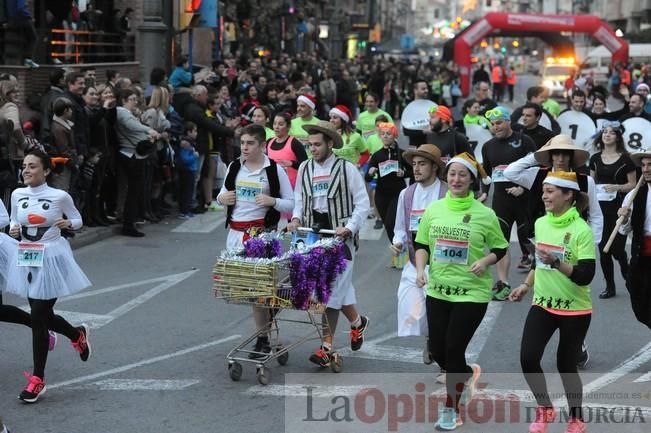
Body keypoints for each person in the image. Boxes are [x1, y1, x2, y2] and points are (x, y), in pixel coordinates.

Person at [414, 152, 508, 430]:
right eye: (452, 174)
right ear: (447, 177)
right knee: (438, 350)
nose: (456, 179)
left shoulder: (485, 214)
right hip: (438, 290)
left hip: (471, 293)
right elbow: (422, 244)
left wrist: (485, 261)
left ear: (471, 180)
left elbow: (501, 248)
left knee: (454, 348)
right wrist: (420, 270)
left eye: (462, 175)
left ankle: (451, 410)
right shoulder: (435, 209)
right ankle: (467, 374)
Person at [509, 171, 596, 433]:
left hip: (575, 309)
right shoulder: (541, 224)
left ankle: (576, 417)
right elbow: (539, 262)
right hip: (543, 304)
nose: (544, 196)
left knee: (565, 365)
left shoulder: (581, 230)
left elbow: (585, 276)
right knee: (528, 358)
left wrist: (557, 263)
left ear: (568, 195)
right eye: (544, 191)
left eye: (550, 191)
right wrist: (526, 285)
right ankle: (545, 408)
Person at [5, 151, 92, 403]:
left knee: (39, 317)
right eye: (24, 166)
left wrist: (69, 225)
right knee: (41, 316)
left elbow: (77, 219)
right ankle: (76, 334)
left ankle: (37, 379)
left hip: (53, 258)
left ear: (46, 171)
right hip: (28, 258)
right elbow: (13, 221)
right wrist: (13, 229)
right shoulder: (17, 194)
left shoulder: (59, 196)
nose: (26, 170)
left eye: (32, 166)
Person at [286, 120, 371, 366]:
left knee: (329, 292)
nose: (312, 149)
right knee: (336, 289)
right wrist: (296, 218)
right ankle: (357, 322)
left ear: (330, 144)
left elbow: (362, 203)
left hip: (341, 239)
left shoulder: (347, 169)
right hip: (314, 237)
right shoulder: (304, 168)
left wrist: (350, 227)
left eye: (317, 145)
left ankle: (326, 347)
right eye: (310, 145)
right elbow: (299, 199)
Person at [216, 124, 294, 358]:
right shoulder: (234, 167)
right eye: (242, 143)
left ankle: (262, 338)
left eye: (250, 143)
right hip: (236, 237)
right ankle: (265, 334)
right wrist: (223, 198)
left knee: (261, 290)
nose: (245, 147)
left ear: (262, 145)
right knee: (249, 291)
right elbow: (221, 195)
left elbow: (291, 203)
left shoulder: (273, 170)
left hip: (262, 236)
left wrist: (272, 201)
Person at [391, 144, 446, 348]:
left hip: (443, 264)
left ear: (434, 167)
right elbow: (400, 228)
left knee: (438, 313)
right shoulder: (405, 194)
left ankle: (438, 348)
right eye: (414, 164)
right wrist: (397, 243)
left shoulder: (447, 192)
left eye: (422, 164)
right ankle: (432, 341)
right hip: (415, 263)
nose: (416, 168)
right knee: (411, 309)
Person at [481, 106, 537, 299]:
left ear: (508, 122)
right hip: (501, 201)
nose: (495, 127)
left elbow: (536, 168)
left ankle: (541, 269)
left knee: (529, 240)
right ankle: (503, 283)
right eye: (493, 124)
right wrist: (483, 193)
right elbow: (486, 173)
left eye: (499, 123)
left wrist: (523, 187)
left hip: (524, 200)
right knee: (500, 243)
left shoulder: (524, 141)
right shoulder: (488, 146)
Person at [589, 122, 636, 299]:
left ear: (618, 136)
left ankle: (627, 273)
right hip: (600, 209)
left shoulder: (626, 159)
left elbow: (633, 184)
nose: (607, 135)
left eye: (611, 132)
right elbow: (591, 184)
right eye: (604, 132)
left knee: (617, 248)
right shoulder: (594, 159)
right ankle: (610, 286)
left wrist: (617, 187)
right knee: (603, 250)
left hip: (619, 209)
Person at [115, 88, 161, 237]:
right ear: (124, 100)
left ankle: (130, 222)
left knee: (134, 191)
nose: (136, 102)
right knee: (133, 192)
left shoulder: (128, 113)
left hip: (134, 154)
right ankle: (128, 225)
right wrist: (149, 131)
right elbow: (131, 126)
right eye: (132, 99)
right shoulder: (121, 112)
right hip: (130, 155)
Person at [618, 148, 651, 329]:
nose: (646, 169)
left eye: (650, 165)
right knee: (639, 301)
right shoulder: (634, 196)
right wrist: (625, 217)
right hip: (642, 256)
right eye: (644, 165)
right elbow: (624, 231)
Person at [365, 122, 410, 243]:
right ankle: (397, 249)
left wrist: (404, 173)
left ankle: (400, 246)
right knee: (388, 226)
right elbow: (367, 179)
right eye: (383, 134)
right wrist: (370, 172)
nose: (385, 136)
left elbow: (412, 171)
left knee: (391, 224)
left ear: (394, 135)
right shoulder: (377, 155)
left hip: (397, 194)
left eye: (388, 134)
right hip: (381, 195)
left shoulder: (402, 153)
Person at [266, 112, 307, 190]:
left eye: (280, 124)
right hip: (273, 185)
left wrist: (292, 163)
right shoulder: (269, 142)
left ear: (288, 126)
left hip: (292, 187)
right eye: (275, 124)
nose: (276, 127)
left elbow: (306, 165)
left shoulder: (295, 143)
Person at [177, 122, 200, 219]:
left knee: (189, 191)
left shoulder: (190, 143)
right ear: (188, 132)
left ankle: (187, 210)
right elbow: (184, 159)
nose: (196, 133)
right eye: (194, 131)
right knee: (186, 191)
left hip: (191, 169)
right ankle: (184, 211)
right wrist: (194, 156)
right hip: (187, 170)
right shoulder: (186, 144)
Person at [402, 79, 431, 148]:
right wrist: (423, 132)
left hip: (432, 146)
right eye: (423, 89)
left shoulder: (432, 105)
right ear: (415, 90)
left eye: (427, 88)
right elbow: (406, 131)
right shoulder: (409, 108)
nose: (426, 90)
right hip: (416, 147)